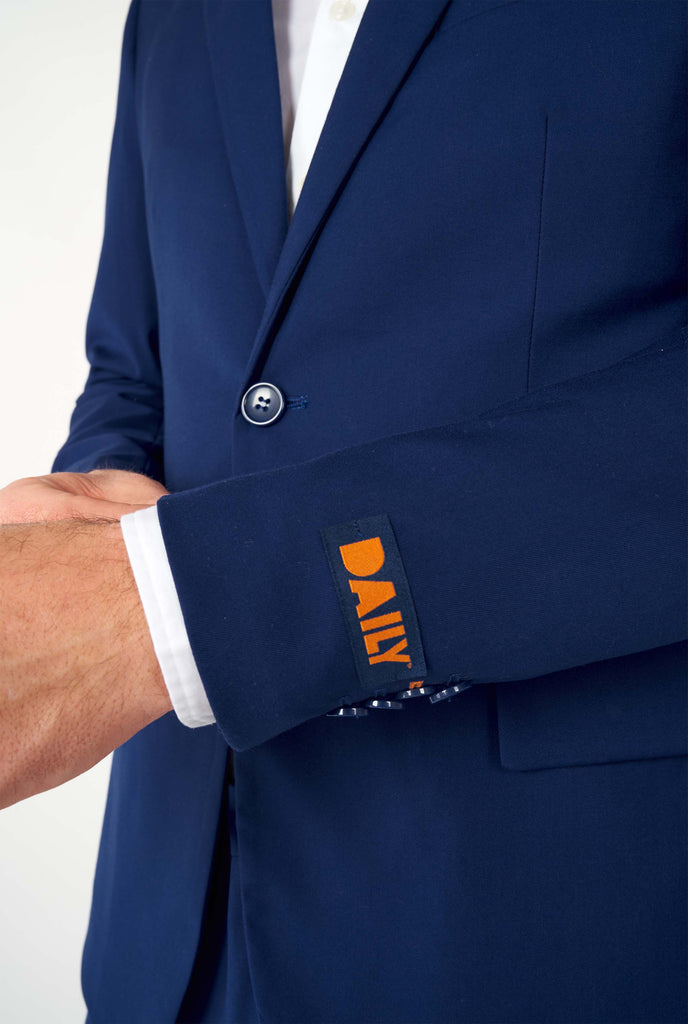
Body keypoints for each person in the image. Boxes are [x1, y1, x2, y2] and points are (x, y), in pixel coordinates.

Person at [0, 0, 685, 1021]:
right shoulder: (174, 18)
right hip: (177, 920)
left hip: (532, 913)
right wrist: (79, 525)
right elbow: (134, 367)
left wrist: (186, 602)